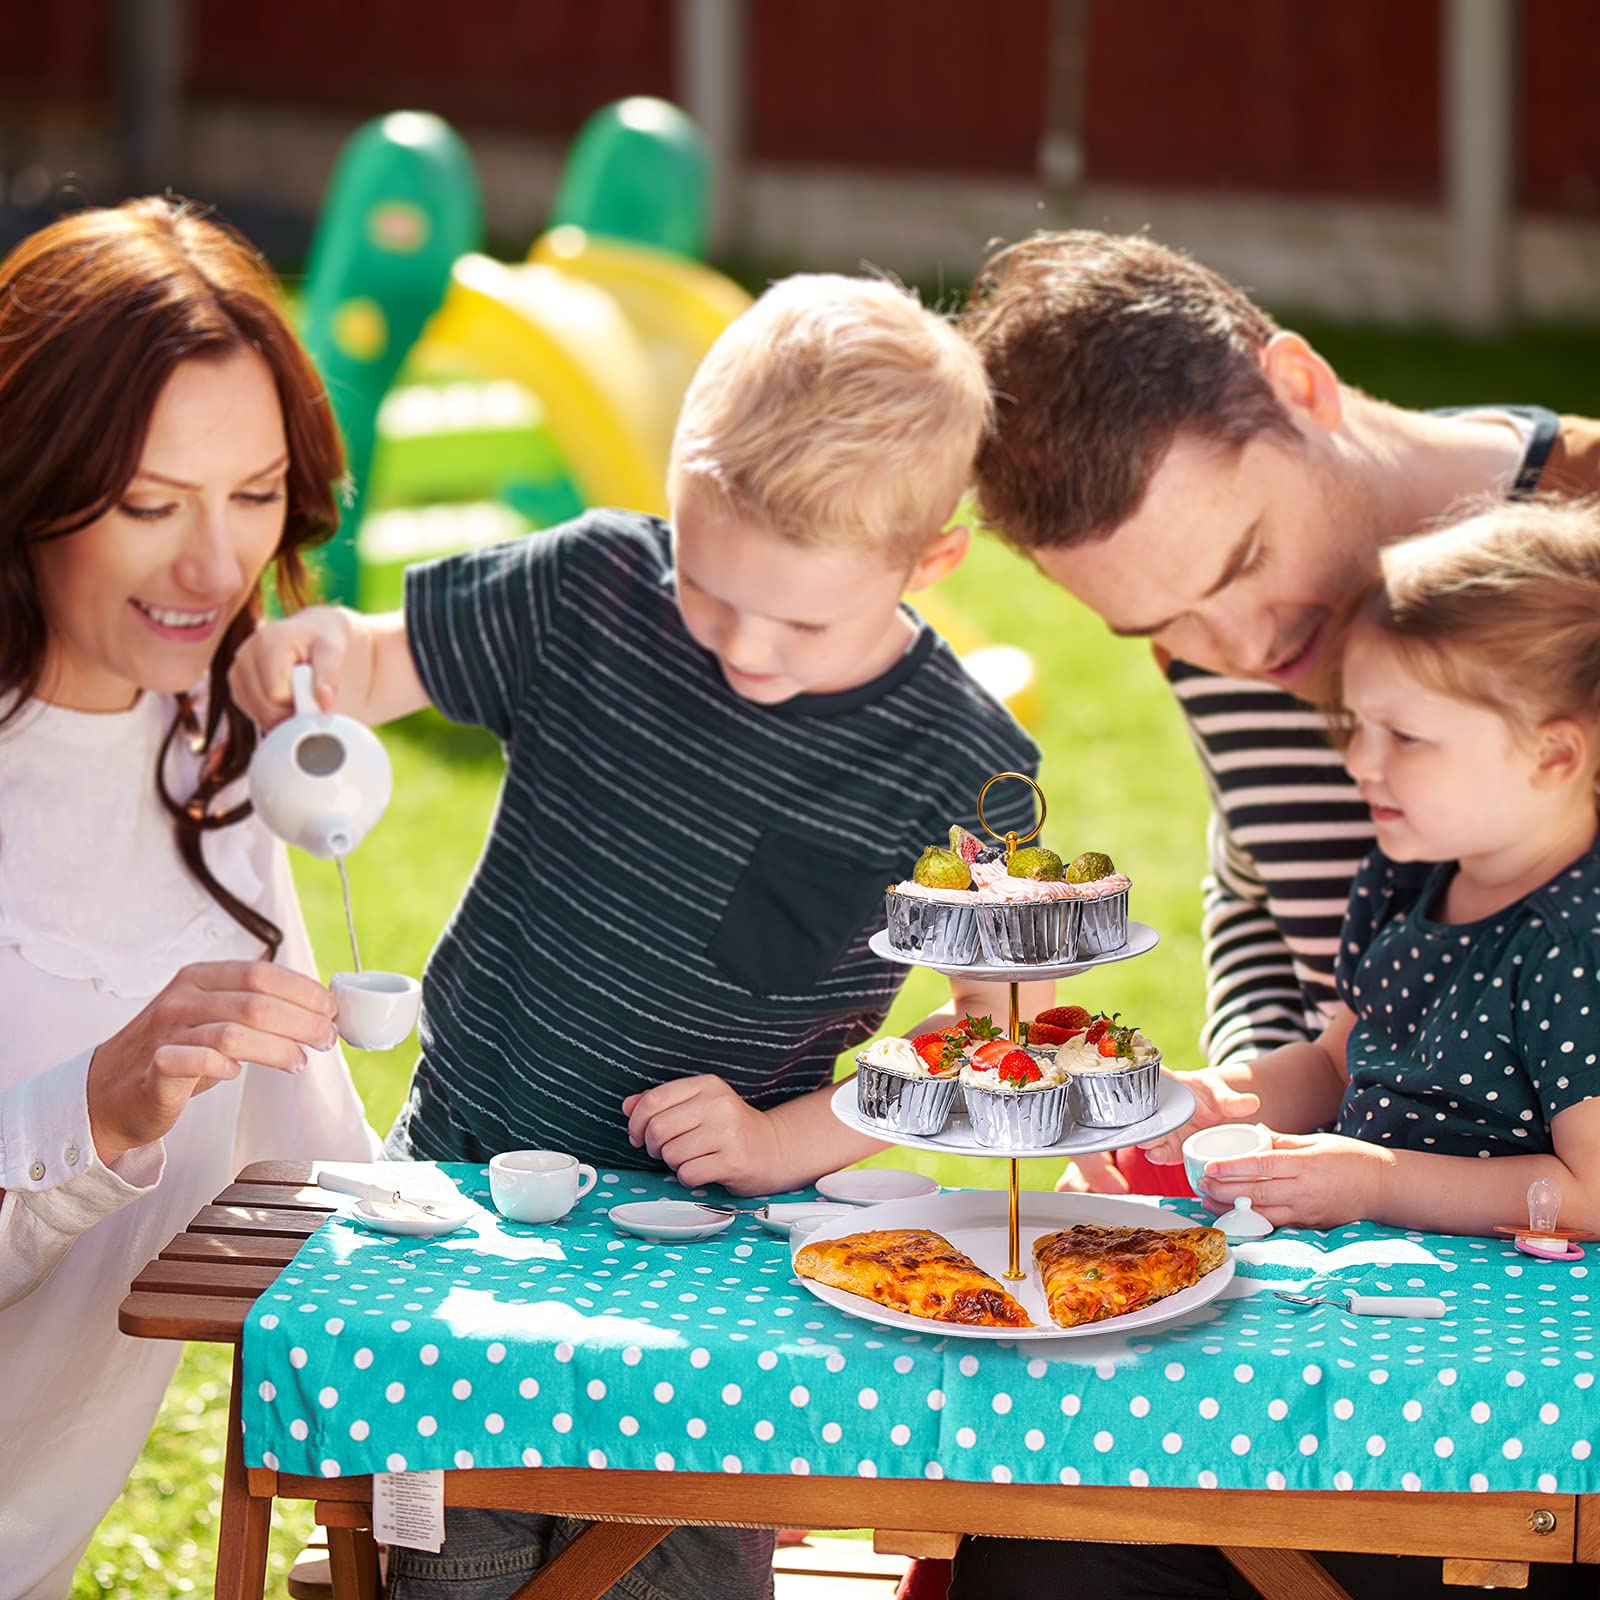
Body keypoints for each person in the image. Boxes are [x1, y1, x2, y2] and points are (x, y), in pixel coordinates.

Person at [231, 273, 1051, 1599]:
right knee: (449, 1559)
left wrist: (785, 1141)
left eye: (802, 620)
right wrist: (321, 655)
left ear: (931, 561)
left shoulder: (961, 765)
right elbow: (380, 664)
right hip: (467, 1185)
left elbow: (990, 1044)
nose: (746, 649)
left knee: (671, 1568)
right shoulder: (594, 585)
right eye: (712, 592)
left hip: (717, 1252)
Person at [951, 501, 1600, 1600]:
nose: (1359, 761)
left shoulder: (1577, 942)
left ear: (1554, 753)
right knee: (1035, 1511)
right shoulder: (1412, 875)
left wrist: (1373, 1179)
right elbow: (1342, 1060)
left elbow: (1588, 1191)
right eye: (1356, 723)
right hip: (1361, 1325)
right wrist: (1211, 1096)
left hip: (1487, 1424)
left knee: (1063, 1551)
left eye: (1405, 737)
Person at [961, 230, 1600, 1112]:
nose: (1246, 652)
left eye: (1247, 560)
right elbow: (1260, 895)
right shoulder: (1209, 631)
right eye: (1160, 623)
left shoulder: (1580, 561)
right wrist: (1224, 1125)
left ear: (1302, 387)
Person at [0, 198, 375, 1600]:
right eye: (152, 505)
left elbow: (315, 1182)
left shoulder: (221, 767)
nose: (217, 570)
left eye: (255, 494)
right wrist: (94, 1107)